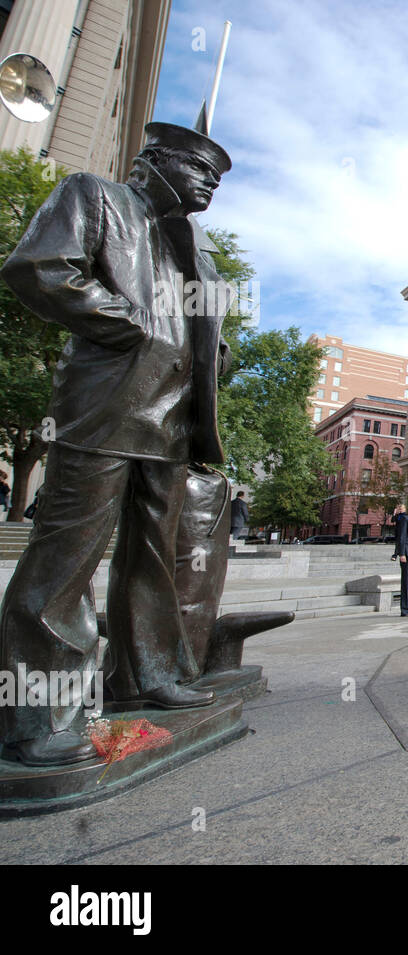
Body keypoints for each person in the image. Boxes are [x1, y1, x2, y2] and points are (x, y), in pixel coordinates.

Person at [0, 119, 232, 765]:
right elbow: (40, 267)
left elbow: (204, 330)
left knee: (153, 557)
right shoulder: (94, 197)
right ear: (156, 160)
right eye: (201, 169)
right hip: (106, 409)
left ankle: (150, 674)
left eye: (217, 176)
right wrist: (135, 329)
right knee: (65, 560)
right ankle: (39, 717)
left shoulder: (197, 246)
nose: (210, 183)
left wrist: (214, 352)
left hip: (172, 422)